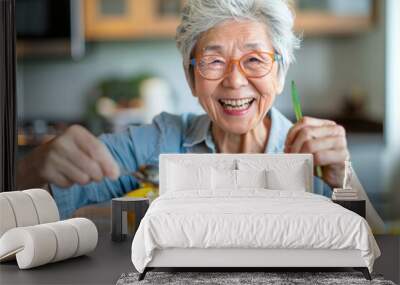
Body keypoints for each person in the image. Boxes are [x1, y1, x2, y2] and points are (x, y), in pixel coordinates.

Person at [16, 0, 384, 232]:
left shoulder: (312, 156)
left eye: (255, 59)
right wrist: (33, 169)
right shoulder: (160, 142)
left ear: (281, 73)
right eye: (214, 61)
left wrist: (344, 181)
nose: (235, 80)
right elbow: (32, 204)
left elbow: (378, 258)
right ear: (192, 78)